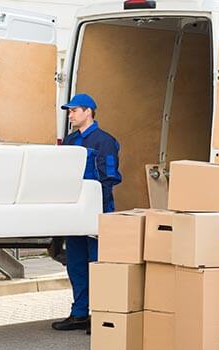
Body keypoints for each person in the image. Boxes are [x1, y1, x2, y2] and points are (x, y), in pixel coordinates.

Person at [52, 93, 122, 332]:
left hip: (96, 213)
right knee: (76, 264)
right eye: (69, 111)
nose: (70, 115)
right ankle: (79, 313)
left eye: (73, 110)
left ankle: (100, 315)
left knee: (97, 264)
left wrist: (97, 210)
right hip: (74, 214)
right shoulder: (70, 141)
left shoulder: (105, 141)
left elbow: (109, 177)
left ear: (88, 111)